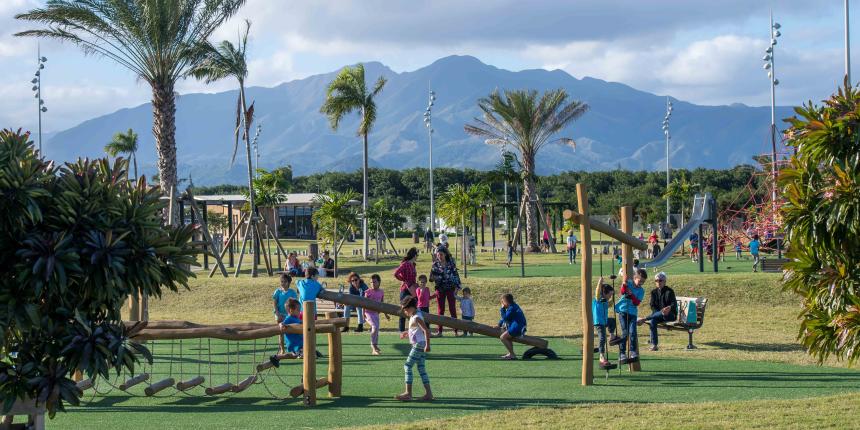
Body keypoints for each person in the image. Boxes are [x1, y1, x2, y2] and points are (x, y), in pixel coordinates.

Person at [396, 296, 433, 402]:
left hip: (419, 345)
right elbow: (415, 330)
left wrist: (428, 345)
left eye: (405, 309)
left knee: (407, 366)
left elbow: (426, 331)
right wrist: (406, 333)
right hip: (419, 344)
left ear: (412, 307)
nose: (404, 311)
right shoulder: (414, 316)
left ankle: (408, 393)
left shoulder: (417, 317)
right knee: (421, 368)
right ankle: (429, 394)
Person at [637, 271, 677, 351]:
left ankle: (644, 319)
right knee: (653, 321)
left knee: (660, 314)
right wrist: (658, 312)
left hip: (670, 315)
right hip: (658, 315)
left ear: (665, 281)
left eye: (660, 280)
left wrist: (668, 308)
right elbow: (652, 306)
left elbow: (674, 304)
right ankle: (654, 345)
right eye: (656, 281)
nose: (658, 282)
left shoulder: (669, 291)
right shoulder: (653, 292)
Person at [615, 269, 645, 365]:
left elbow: (636, 303)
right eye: (640, 281)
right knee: (625, 332)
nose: (641, 283)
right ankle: (622, 353)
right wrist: (624, 284)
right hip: (623, 311)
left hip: (633, 313)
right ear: (635, 278)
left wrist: (631, 295)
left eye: (643, 282)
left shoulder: (641, 290)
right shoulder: (628, 283)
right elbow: (623, 292)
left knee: (632, 332)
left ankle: (632, 351)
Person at [429, 247, 461, 336]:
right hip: (440, 289)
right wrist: (436, 276)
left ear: (445, 254)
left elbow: (456, 275)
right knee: (440, 310)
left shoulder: (451, 264)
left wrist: (457, 287)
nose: (439, 256)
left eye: (441, 254)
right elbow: (431, 279)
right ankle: (440, 331)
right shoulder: (435, 265)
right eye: (438, 255)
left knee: (452, 309)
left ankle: (456, 331)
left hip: (450, 288)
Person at [592, 276, 618, 369]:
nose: (610, 297)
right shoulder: (598, 299)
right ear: (604, 293)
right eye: (609, 295)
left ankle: (612, 335)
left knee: (612, 321)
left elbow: (611, 303)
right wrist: (600, 282)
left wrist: (614, 296)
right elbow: (597, 291)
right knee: (602, 338)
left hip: (605, 321)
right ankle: (601, 356)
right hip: (599, 322)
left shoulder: (606, 301)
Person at [270, 298, 303, 367]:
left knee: (294, 355)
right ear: (291, 311)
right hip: (294, 342)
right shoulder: (289, 318)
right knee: (302, 354)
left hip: (299, 341)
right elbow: (282, 323)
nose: (299, 312)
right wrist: (281, 325)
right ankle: (305, 376)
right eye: (298, 310)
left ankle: (277, 357)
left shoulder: (296, 318)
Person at [394, 248, 419, 336]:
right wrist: (403, 280)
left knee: (413, 310)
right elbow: (396, 273)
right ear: (414, 255)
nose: (417, 257)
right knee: (403, 310)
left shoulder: (414, 264)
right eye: (417, 255)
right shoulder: (405, 264)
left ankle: (412, 330)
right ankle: (401, 331)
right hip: (405, 289)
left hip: (413, 289)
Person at [364, 274, 390, 355]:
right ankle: (373, 346)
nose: (372, 284)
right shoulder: (368, 292)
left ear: (379, 282)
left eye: (374, 282)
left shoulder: (381, 292)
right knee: (374, 327)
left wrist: (386, 315)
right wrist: (362, 314)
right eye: (371, 282)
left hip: (376, 314)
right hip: (368, 313)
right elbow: (363, 304)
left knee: (376, 329)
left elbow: (382, 304)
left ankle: (375, 347)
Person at [272, 273, 298, 354]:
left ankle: (293, 348)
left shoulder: (292, 292)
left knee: (291, 331)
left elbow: (294, 305)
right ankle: (282, 349)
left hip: (289, 315)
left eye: (285, 282)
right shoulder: (278, 292)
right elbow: (275, 303)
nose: (283, 283)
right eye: (281, 281)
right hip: (279, 314)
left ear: (289, 282)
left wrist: (292, 315)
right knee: (281, 332)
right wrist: (277, 313)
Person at [497, 293, 527, 360]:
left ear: (506, 301)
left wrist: (502, 309)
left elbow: (505, 318)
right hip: (518, 326)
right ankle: (510, 353)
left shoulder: (511, 308)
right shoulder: (513, 306)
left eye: (502, 301)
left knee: (503, 337)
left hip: (517, 327)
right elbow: (505, 319)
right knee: (506, 337)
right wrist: (499, 325)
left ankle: (512, 355)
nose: (502, 303)